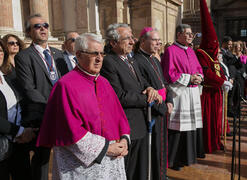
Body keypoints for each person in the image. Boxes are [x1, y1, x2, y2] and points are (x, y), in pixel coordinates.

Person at [36, 33, 130, 179]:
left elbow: (119, 117)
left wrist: (124, 141)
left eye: (101, 53)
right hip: (80, 165)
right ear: (78, 55)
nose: (99, 58)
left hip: (112, 159)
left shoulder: (104, 82)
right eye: (94, 54)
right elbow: (69, 130)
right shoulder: (66, 85)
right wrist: (106, 148)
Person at [100, 23, 162, 180]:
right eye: (127, 38)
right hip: (127, 127)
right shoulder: (109, 63)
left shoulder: (130, 60)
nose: (132, 41)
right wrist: (148, 99)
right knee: (129, 171)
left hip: (140, 124)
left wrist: (149, 89)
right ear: (113, 43)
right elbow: (119, 96)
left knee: (140, 170)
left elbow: (141, 82)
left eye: (132, 38)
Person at [14, 14, 68, 180]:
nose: (43, 28)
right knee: (42, 163)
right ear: (29, 32)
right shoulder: (23, 57)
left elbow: (67, 83)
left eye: (45, 25)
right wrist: (53, 108)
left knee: (64, 159)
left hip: (63, 115)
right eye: (37, 26)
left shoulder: (58, 54)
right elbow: (29, 89)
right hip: (40, 117)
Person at [161, 24, 205, 170]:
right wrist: (189, 79)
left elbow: (198, 69)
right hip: (180, 94)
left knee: (191, 126)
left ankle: (187, 157)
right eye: (188, 33)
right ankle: (174, 160)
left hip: (192, 93)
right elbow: (168, 73)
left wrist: (199, 77)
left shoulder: (191, 51)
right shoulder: (170, 51)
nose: (191, 36)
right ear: (179, 34)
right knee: (178, 128)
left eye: (191, 33)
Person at [134, 27, 173, 180]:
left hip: (163, 108)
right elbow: (144, 88)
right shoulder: (137, 60)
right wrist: (162, 107)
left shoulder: (155, 59)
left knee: (162, 146)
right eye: (155, 40)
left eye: (159, 40)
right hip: (152, 112)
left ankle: (161, 174)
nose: (159, 43)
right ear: (143, 41)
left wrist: (169, 100)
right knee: (154, 148)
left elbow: (164, 84)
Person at [196, 0, 233, 153]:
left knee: (217, 121)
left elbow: (219, 70)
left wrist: (225, 80)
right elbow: (207, 73)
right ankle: (207, 144)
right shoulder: (201, 54)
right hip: (207, 94)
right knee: (208, 120)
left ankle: (216, 141)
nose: (214, 45)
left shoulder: (213, 56)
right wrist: (222, 81)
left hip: (217, 93)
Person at [0, 40, 35, 180]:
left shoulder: (7, 77)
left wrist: (26, 129)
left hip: (19, 143)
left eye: (1, 51)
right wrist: (19, 131)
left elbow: (19, 106)